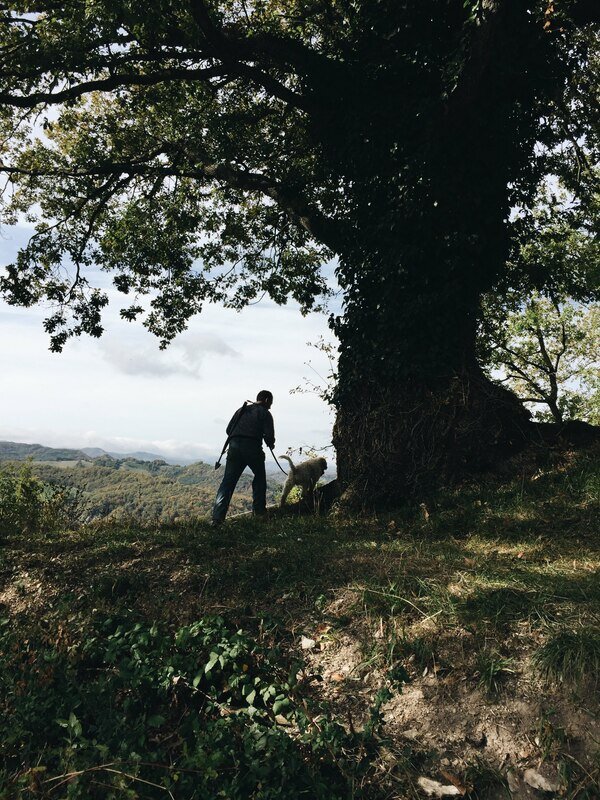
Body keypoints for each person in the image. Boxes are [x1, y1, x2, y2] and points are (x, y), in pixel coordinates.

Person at [211, 390, 275, 525]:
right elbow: (269, 437)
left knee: (228, 482)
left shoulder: (242, 409)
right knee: (260, 478)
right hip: (252, 447)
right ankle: (259, 513)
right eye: (271, 403)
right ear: (267, 400)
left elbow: (229, 430)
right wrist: (270, 443)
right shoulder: (265, 413)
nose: (270, 406)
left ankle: (217, 519)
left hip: (234, 447)